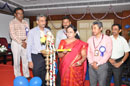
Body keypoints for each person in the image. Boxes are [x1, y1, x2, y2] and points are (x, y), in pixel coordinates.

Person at [27, 15, 50, 85]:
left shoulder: (48, 31)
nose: (44, 22)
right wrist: (29, 60)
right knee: (37, 75)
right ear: (37, 22)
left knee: (45, 74)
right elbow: (29, 46)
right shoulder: (32, 32)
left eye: (45, 21)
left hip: (46, 56)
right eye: (42, 21)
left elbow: (50, 43)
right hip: (36, 56)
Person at [87, 21, 112, 86]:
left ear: (101, 29)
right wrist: (92, 62)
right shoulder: (90, 39)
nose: (93, 30)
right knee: (92, 84)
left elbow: (108, 53)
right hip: (91, 65)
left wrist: (98, 63)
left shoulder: (107, 39)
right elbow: (88, 52)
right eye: (92, 28)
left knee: (102, 84)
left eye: (95, 28)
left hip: (102, 66)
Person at [9, 7, 30, 78]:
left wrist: (26, 41)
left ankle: (26, 75)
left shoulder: (25, 22)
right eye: (19, 13)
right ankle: (18, 76)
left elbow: (28, 33)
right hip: (16, 43)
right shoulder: (12, 22)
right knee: (17, 61)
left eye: (22, 13)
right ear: (15, 14)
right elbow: (12, 34)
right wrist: (21, 42)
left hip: (25, 43)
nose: (21, 15)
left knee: (25, 60)